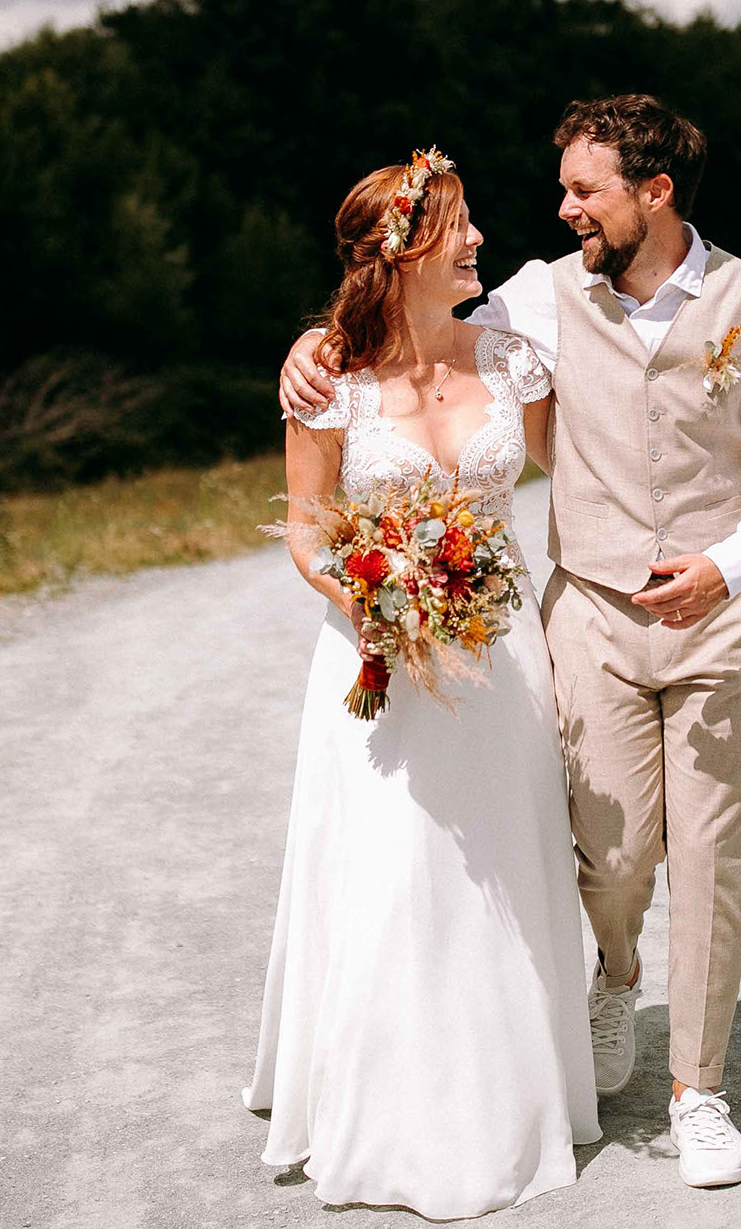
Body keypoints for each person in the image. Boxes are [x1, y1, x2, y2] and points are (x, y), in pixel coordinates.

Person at [282, 95, 741, 1190]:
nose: (562, 207)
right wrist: (311, 344)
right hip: (590, 620)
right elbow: (404, 319)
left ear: (653, 193)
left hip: (719, 617)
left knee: (714, 853)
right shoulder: (542, 292)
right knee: (610, 858)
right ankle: (616, 973)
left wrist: (730, 564)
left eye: (584, 190)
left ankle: (697, 1092)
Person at [245, 150, 600, 1219]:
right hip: (380, 659)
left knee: (505, 860)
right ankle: (391, 1104)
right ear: (400, 253)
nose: (479, 238)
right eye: (457, 225)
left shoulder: (516, 359)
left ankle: (514, 1085)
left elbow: (588, 468)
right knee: (395, 871)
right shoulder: (330, 377)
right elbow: (307, 529)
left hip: (500, 657)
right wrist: (372, 598)